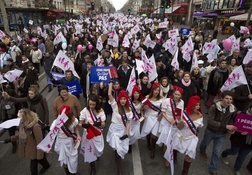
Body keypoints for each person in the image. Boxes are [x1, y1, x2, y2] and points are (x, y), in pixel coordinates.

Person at [199, 91, 237, 175]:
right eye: (227, 98)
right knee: (205, 143)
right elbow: (210, 121)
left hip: (221, 134)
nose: (229, 100)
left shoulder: (232, 109)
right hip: (211, 131)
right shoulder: (214, 107)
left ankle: (213, 169)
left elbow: (230, 121)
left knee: (216, 152)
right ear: (222, 98)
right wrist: (226, 126)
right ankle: (202, 150)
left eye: (231, 99)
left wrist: (230, 129)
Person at [12, 108, 50, 175]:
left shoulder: (35, 127)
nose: (18, 118)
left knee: (33, 167)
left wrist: (39, 154)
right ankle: (46, 165)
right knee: (41, 160)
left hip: (35, 149)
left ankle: (45, 165)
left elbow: (39, 141)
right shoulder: (22, 124)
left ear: (26, 117)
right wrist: (13, 138)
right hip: (30, 148)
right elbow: (21, 133)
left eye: (19, 117)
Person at [106, 80, 132, 175]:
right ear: (119, 99)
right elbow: (109, 95)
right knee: (117, 148)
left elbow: (128, 122)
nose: (123, 101)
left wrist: (127, 133)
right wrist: (110, 84)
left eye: (124, 99)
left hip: (122, 130)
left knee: (120, 148)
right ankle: (119, 169)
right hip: (114, 129)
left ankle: (118, 160)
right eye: (121, 99)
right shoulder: (115, 106)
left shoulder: (129, 110)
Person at [172, 96, 203, 175]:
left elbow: (199, 127)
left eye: (199, 105)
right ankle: (174, 155)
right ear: (191, 105)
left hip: (191, 138)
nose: (198, 107)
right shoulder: (184, 114)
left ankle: (184, 172)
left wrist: (196, 135)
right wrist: (181, 122)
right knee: (176, 148)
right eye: (196, 105)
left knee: (189, 156)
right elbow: (179, 127)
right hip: (181, 136)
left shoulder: (200, 115)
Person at [221, 102, 252, 175]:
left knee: (242, 156)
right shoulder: (241, 114)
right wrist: (239, 132)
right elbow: (234, 126)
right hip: (238, 139)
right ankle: (224, 154)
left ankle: (236, 169)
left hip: (249, 143)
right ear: (249, 108)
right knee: (233, 151)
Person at [157, 86, 184, 167]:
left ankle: (167, 159)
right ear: (173, 94)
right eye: (175, 94)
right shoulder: (167, 101)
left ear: (181, 96)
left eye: (178, 95)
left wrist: (176, 121)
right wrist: (169, 120)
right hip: (166, 122)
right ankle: (166, 154)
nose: (176, 96)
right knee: (166, 141)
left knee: (171, 142)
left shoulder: (182, 102)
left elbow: (180, 113)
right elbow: (163, 112)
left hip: (175, 124)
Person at [79, 94, 106, 175]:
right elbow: (80, 123)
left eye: (93, 104)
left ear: (96, 103)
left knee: (97, 150)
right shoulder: (85, 111)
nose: (91, 106)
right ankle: (92, 168)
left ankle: (96, 156)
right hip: (88, 134)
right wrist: (83, 125)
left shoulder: (100, 111)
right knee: (89, 151)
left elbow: (103, 123)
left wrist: (100, 124)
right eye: (90, 104)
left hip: (97, 133)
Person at [51, 105, 81, 175]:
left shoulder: (74, 120)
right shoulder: (56, 123)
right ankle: (67, 172)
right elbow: (52, 135)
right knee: (64, 159)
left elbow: (76, 128)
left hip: (71, 142)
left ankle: (73, 173)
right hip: (61, 143)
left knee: (73, 159)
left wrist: (78, 135)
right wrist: (49, 146)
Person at [140, 82, 163, 159]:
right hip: (149, 117)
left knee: (154, 133)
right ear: (152, 90)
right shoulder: (147, 97)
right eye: (155, 90)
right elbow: (142, 108)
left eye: (158, 90)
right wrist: (144, 108)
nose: (157, 92)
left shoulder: (161, 98)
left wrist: (161, 115)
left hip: (156, 118)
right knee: (148, 131)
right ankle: (148, 143)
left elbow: (163, 109)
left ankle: (153, 150)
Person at [128, 85, 143, 153]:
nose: (136, 95)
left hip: (137, 120)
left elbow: (141, 110)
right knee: (129, 133)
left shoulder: (141, 102)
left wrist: (142, 116)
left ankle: (131, 142)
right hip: (131, 120)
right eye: (135, 93)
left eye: (137, 93)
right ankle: (129, 145)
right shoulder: (129, 101)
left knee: (136, 133)